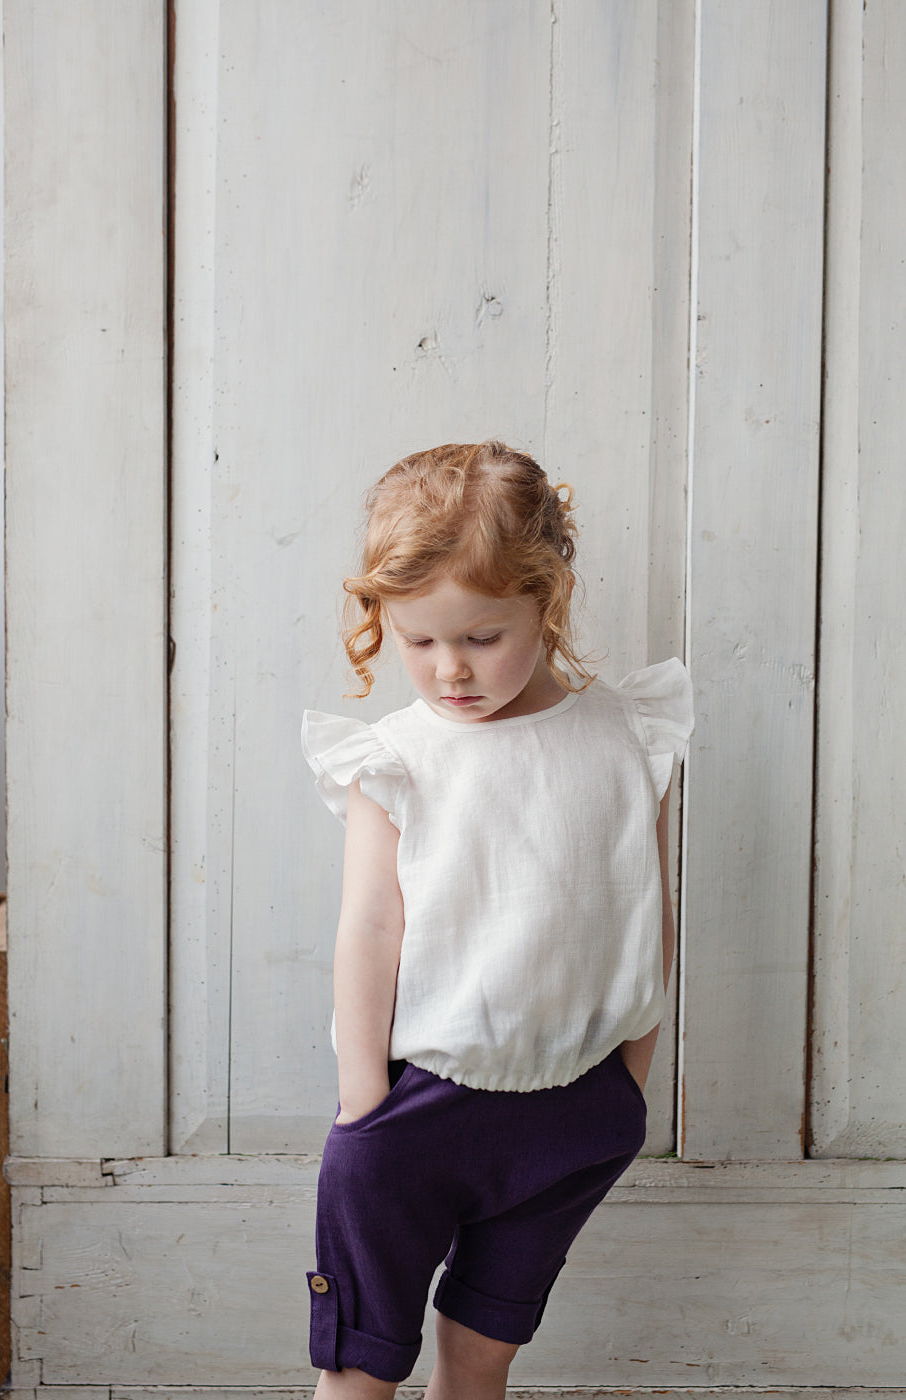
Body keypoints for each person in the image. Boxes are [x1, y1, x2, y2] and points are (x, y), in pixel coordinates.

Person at [301, 440, 693, 1399]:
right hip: (417, 1105)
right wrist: (365, 1106)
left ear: (547, 602)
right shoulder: (395, 757)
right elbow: (370, 929)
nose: (449, 671)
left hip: (576, 1107)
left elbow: (644, 907)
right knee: (359, 1365)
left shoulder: (630, 738)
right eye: (418, 641)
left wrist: (625, 1083)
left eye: (481, 638)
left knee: (481, 1360)